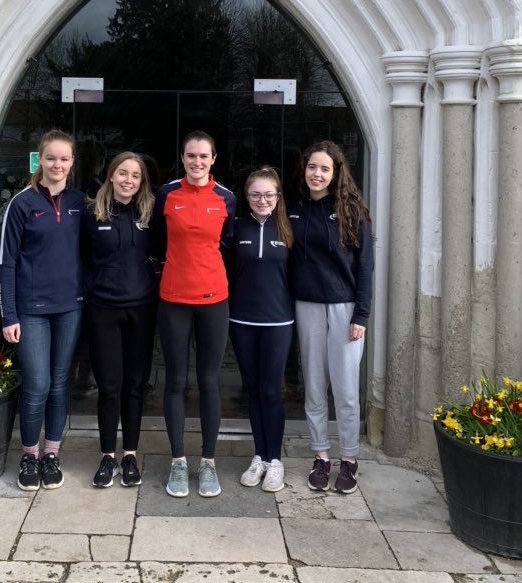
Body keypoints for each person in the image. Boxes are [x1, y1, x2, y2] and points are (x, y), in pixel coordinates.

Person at [0, 129, 84, 492]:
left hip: (70, 308)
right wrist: (9, 315)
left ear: (72, 163)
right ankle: (29, 455)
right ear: (40, 159)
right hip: (31, 310)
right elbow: (7, 262)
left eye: (64, 158)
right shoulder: (22, 203)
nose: (57, 164)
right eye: (51, 157)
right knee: (37, 384)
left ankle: (52, 453)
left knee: (60, 384)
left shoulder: (82, 202)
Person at [151, 130, 235, 498]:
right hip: (173, 297)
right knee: (175, 381)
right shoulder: (166, 194)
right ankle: (178, 462)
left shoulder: (227, 198)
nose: (197, 162)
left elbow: (228, 245)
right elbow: (155, 240)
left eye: (203, 156)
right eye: (191, 156)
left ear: (213, 158)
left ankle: (209, 461)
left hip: (214, 298)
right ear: (182, 158)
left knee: (210, 382)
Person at [288, 140, 374, 495]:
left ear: (336, 173)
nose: (317, 174)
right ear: (304, 169)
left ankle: (349, 459)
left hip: (344, 309)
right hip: (306, 305)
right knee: (313, 386)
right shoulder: (292, 208)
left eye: (324, 168)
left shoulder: (354, 212)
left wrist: (361, 314)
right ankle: (321, 455)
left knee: (346, 391)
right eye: (312, 167)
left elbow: (365, 266)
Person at [81, 151, 158, 488]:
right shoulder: (91, 212)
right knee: (109, 386)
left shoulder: (149, 213)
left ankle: (130, 455)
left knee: (134, 385)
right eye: (123, 173)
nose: (129, 180)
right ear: (111, 175)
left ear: (142, 182)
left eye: (136, 176)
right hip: (103, 309)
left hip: (141, 308)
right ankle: (107, 456)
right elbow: (80, 256)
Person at [228, 167, 294, 493]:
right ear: (246, 195)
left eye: (269, 194)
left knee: (271, 391)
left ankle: (275, 459)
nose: (262, 200)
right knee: (252, 391)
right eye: (255, 194)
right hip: (241, 321)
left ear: (278, 196)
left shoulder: (288, 228)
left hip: (278, 322)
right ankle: (259, 457)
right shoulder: (236, 227)